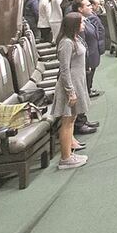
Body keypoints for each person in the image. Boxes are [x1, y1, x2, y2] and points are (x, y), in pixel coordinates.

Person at [51, 12, 90, 170]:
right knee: (67, 121)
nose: (83, 25)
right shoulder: (66, 43)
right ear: (74, 25)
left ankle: (69, 152)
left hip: (77, 82)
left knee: (72, 119)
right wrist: (70, 91)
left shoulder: (75, 39)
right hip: (70, 85)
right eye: (81, 23)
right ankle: (65, 158)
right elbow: (64, 70)